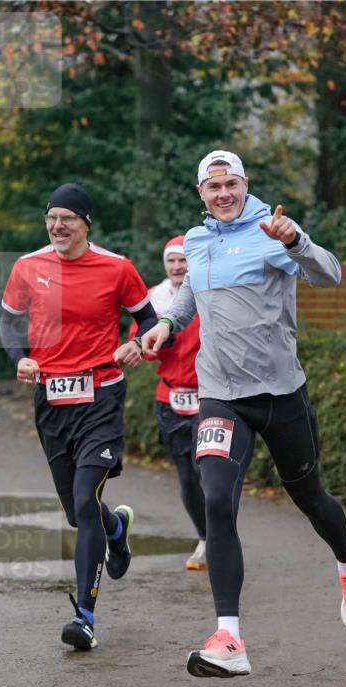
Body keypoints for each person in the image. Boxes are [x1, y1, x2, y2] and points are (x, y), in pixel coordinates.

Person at [142, 150, 346, 679]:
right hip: (220, 394)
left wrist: (296, 241)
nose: (222, 194)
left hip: (279, 394)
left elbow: (330, 276)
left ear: (246, 185)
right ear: (200, 192)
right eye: (212, 187)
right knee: (218, 500)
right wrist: (167, 326)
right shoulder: (196, 241)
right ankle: (230, 639)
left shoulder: (272, 232)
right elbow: (188, 298)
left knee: (310, 496)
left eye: (231, 184)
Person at [0, 182, 155, 651]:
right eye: (52, 217)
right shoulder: (28, 267)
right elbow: (8, 322)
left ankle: (84, 617)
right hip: (51, 401)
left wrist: (133, 342)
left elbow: (148, 318)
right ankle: (116, 527)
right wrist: (19, 358)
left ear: (87, 223)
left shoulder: (116, 267)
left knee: (86, 497)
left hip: (101, 397)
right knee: (77, 511)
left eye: (68, 217)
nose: (58, 225)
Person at [144, 235, 206, 571]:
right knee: (186, 477)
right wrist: (145, 347)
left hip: (207, 396)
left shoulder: (206, 293)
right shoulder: (154, 298)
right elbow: (140, 340)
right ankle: (205, 537)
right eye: (172, 261)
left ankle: (221, 535)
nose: (177, 266)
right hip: (170, 397)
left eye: (183, 260)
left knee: (205, 470)